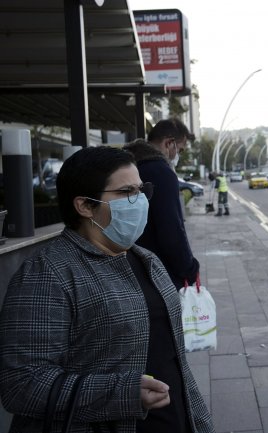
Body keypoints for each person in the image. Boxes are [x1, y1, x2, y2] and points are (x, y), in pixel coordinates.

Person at [0, 146, 214, 433]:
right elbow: (22, 385)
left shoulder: (147, 260)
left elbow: (176, 364)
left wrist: (200, 422)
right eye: (126, 192)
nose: (139, 201)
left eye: (141, 189)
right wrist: (124, 393)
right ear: (85, 206)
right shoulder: (47, 274)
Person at [124, 118, 199, 290]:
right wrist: (189, 269)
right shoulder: (162, 172)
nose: (178, 155)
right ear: (169, 143)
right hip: (157, 273)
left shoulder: (127, 167)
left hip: (127, 268)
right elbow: (171, 230)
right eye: (179, 149)